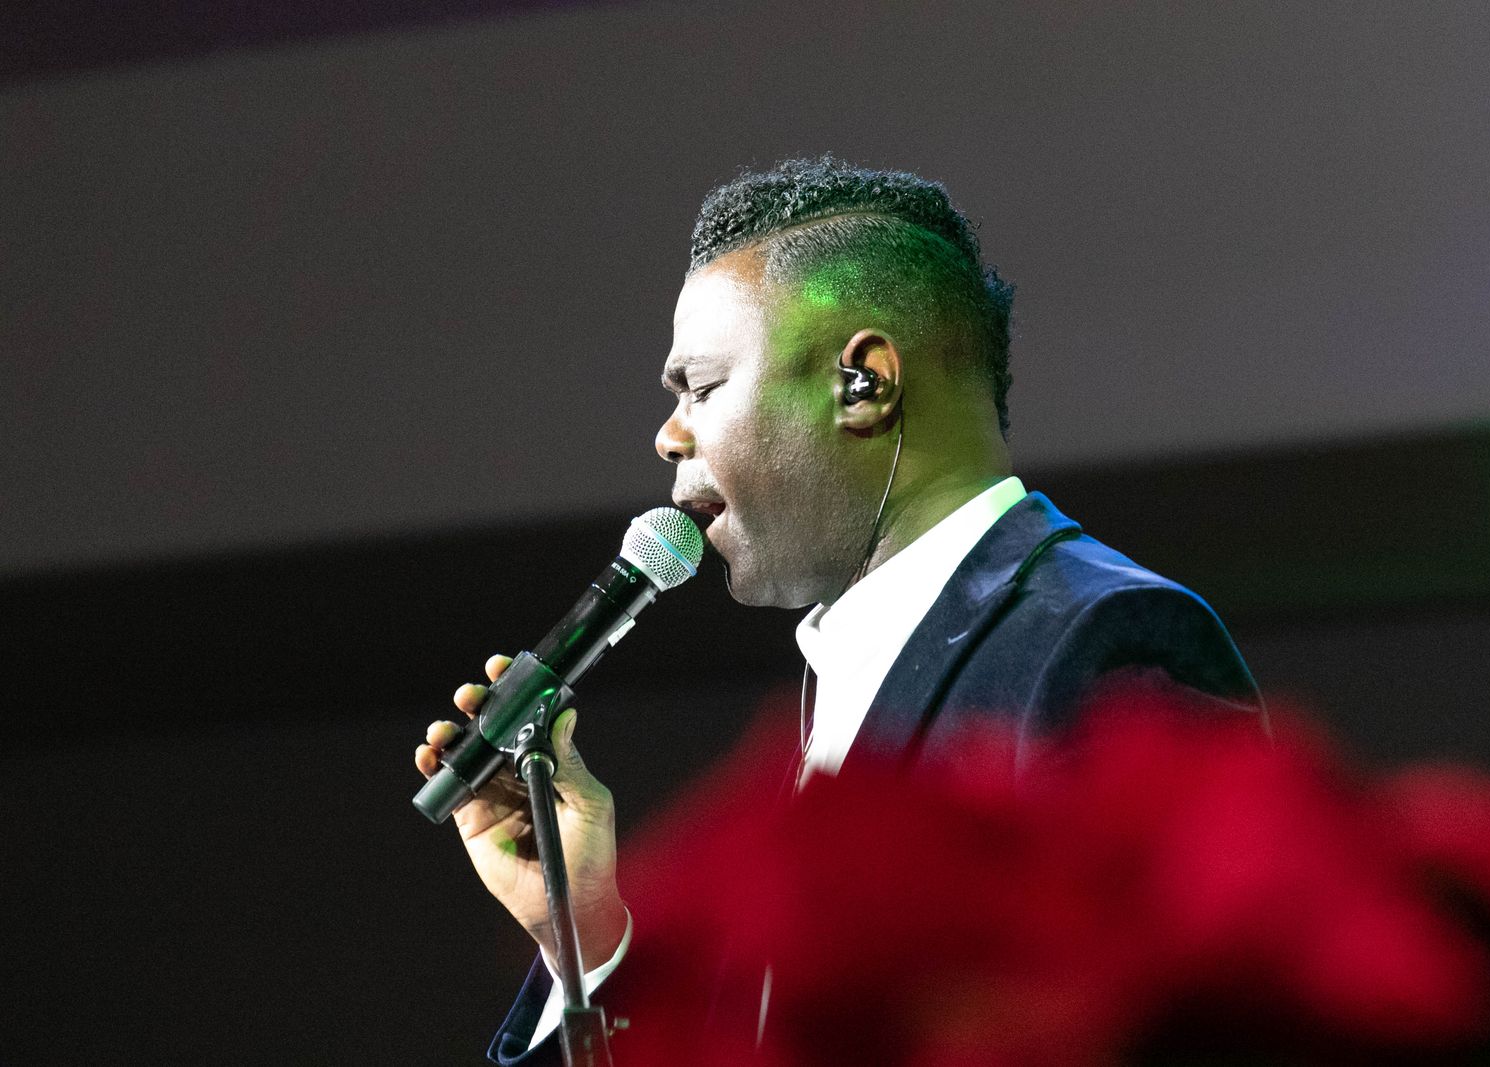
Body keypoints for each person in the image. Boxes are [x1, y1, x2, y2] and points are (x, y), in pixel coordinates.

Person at [414, 157, 1263, 1065]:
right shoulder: (847, 682)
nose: (668, 435)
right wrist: (585, 939)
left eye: (701, 387)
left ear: (863, 383)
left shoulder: (1104, 642)